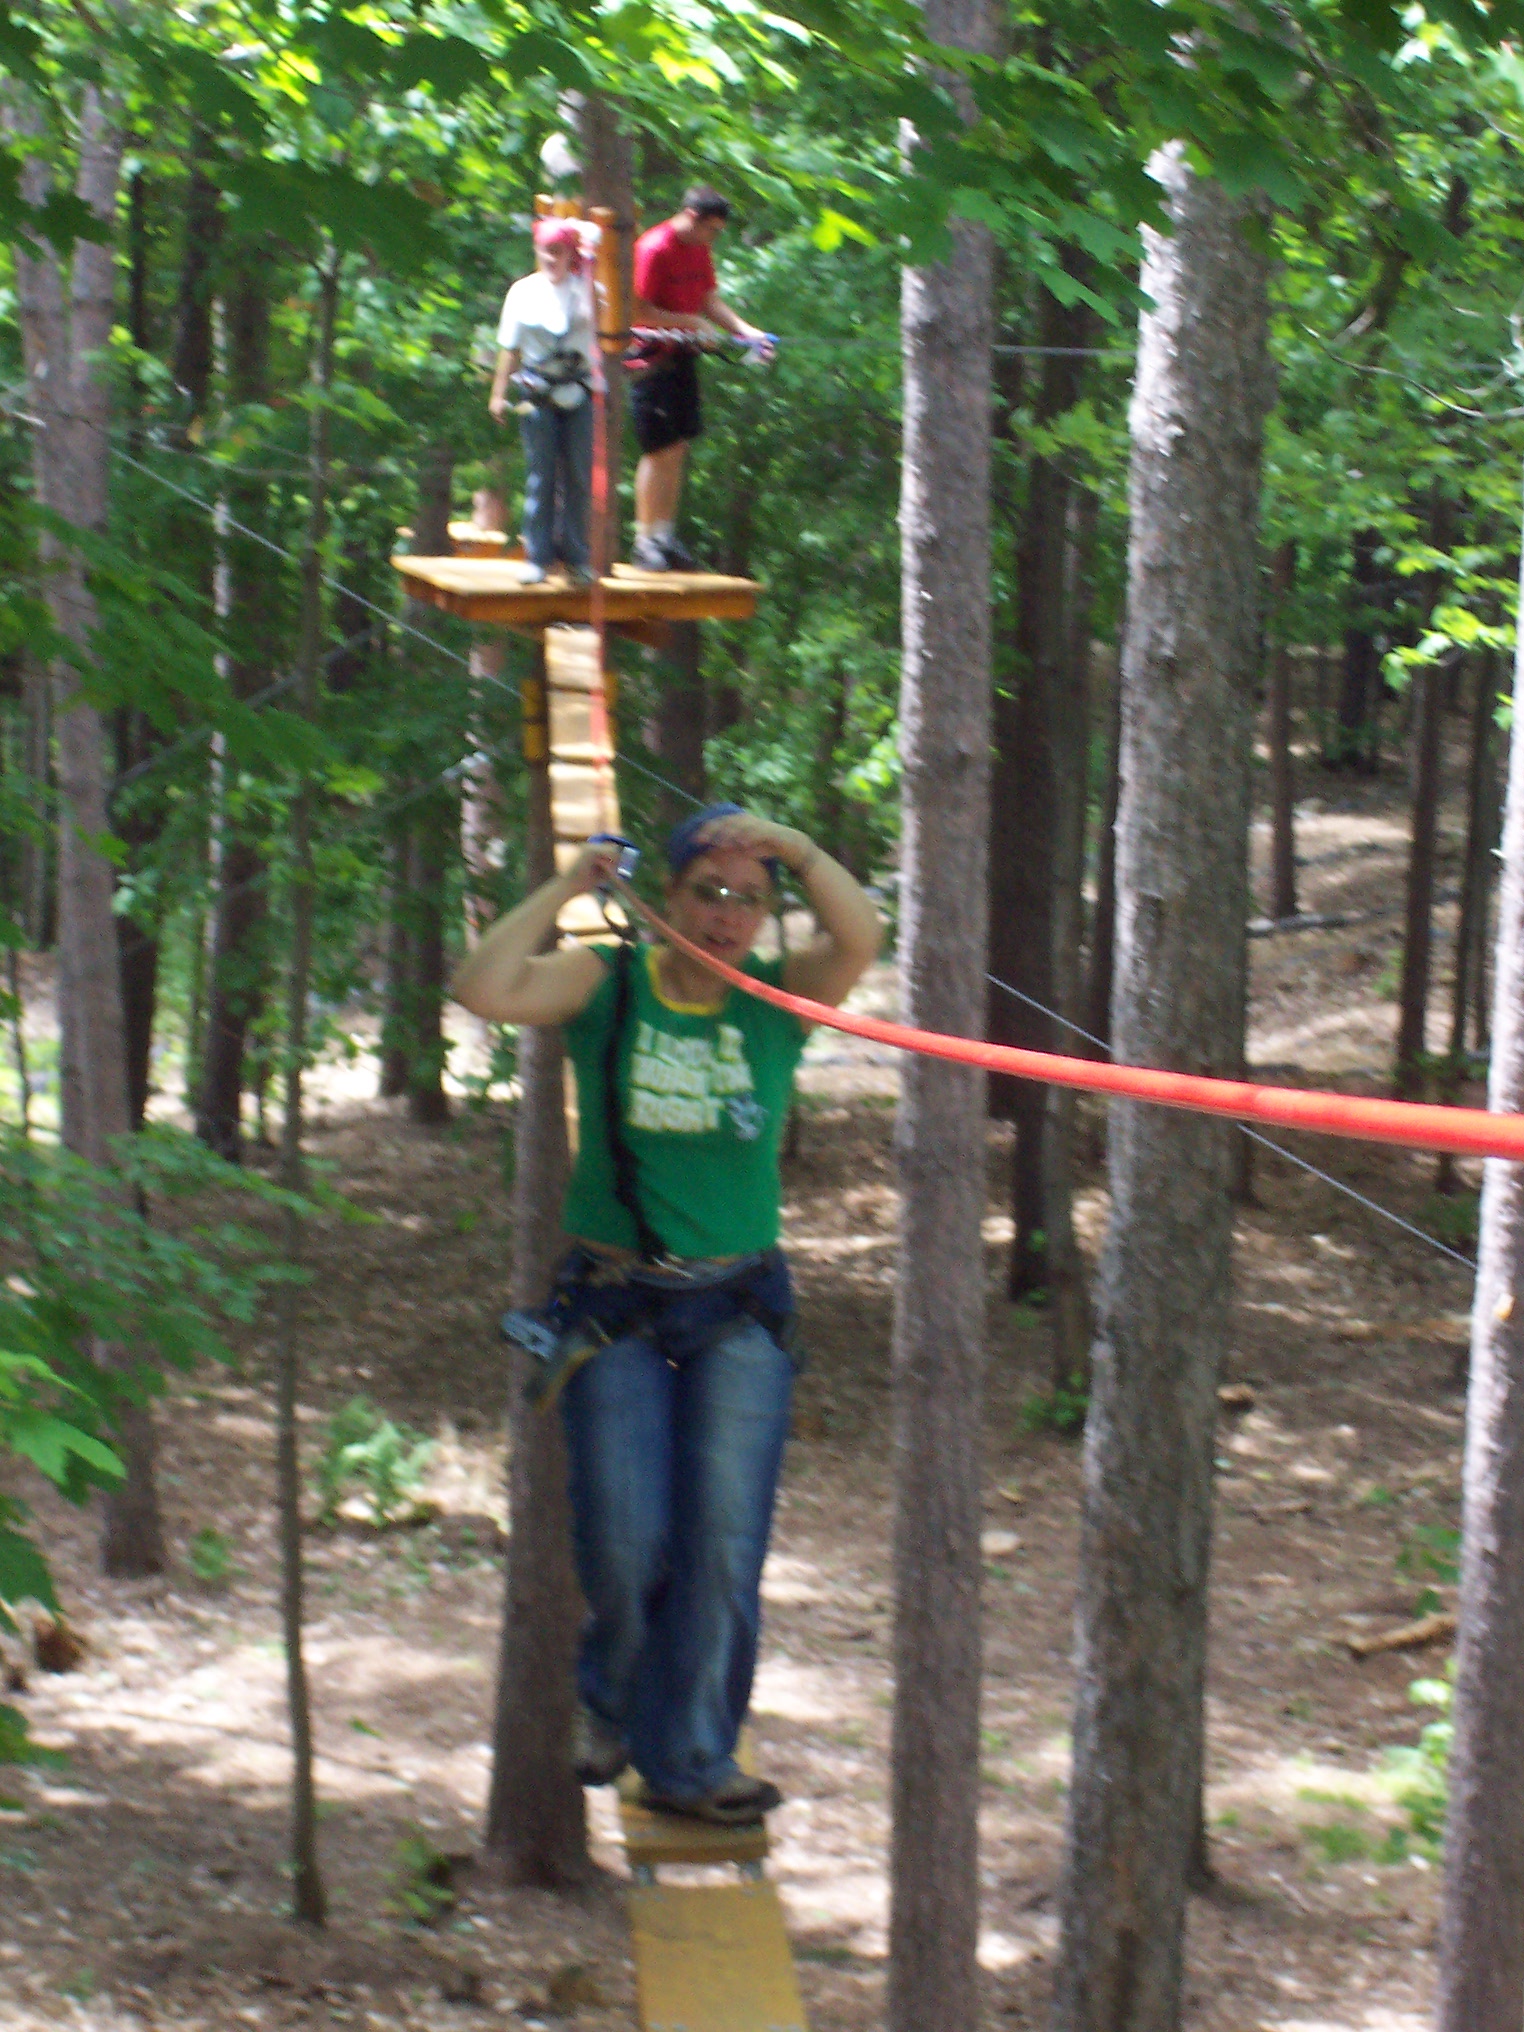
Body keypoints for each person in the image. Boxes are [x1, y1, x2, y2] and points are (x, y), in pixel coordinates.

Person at [451, 806, 881, 1823]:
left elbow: (861, 936)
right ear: (669, 898)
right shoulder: (608, 984)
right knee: (626, 1540)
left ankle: (689, 1759)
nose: (726, 917)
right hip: (617, 1305)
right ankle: (612, 1697)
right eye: (708, 892)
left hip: (739, 1308)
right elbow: (481, 986)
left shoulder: (774, 1003)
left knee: (724, 1546)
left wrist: (796, 846)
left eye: (748, 901)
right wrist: (569, 887)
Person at [627, 187, 775, 573]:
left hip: (683, 359)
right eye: (711, 229)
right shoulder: (654, 248)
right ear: (691, 216)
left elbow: (709, 299)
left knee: (677, 449)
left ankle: (663, 535)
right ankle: (644, 541)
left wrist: (746, 332)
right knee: (658, 450)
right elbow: (636, 310)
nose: (714, 238)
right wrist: (690, 322)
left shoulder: (699, 248)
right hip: (650, 361)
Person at [488, 218, 601, 585]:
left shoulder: (588, 290)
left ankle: (577, 558)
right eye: (545, 251)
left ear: (570, 253)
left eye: (559, 251)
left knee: (579, 477)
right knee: (541, 476)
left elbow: (604, 324)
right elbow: (509, 347)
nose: (552, 258)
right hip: (537, 394)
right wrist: (498, 394)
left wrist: (591, 263)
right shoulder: (522, 292)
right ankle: (537, 556)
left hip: (579, 392)